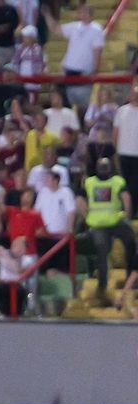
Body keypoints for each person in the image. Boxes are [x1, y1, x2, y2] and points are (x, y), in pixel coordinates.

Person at [80, 158, 135, 304]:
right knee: (129, 240)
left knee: (102, 253)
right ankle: (129, 277)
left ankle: (103, 286)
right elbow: (126, 198)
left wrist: (86, 217)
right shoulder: (117, 181)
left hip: (99, 223)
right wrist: (127, 216)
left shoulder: (89, 182)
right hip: (114, 221)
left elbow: (79, 201)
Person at [44, 3, 103, 112]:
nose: (83, 14)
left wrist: (95, 70)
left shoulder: (96, 29)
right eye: (81, 12)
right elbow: (56, 30)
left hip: (84, 72)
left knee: (82, 106)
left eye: (86, 12)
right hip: (68, 71)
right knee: (66, 104)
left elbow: (98, 51)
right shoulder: (74, 26)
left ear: (91, 14)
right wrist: (47, 15)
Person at [115, 86, 138, 219]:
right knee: (123, 184)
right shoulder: (121, 111)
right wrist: (116, 152)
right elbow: (116, 132)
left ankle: (132, 214)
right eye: (134, 94)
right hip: (123, 153)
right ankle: (124, 212)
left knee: (135, 186)